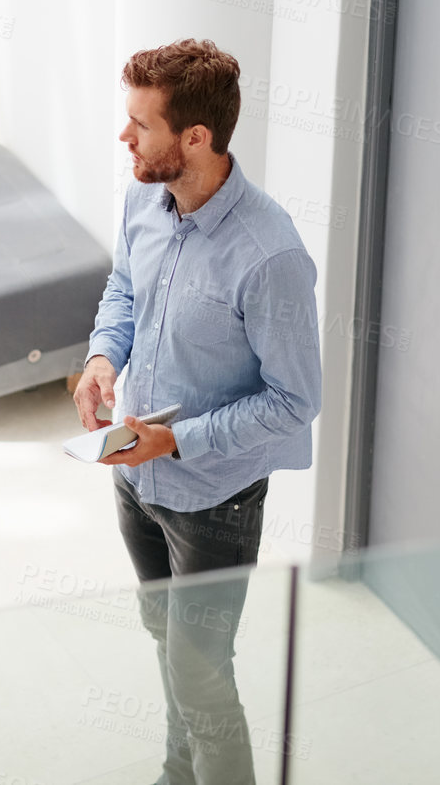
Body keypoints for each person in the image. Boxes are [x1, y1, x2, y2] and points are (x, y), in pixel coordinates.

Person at [76, 39, 322, 785]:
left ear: (196, 138)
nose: (125, 138)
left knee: (202, 673)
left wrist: (174, 441)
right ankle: (177, 775)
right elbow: (125, 289)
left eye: (139, 125)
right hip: (134, 476)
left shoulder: (268, 255)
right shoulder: (139, 203)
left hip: (216, 500)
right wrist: (99, 358)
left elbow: (295, 401)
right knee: (169, 641)